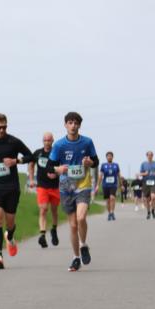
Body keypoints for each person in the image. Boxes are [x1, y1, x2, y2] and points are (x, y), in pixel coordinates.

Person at [45, 112, 99, 272]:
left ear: (79, 125)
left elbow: (96, 161)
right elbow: (49, 166)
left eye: (76, 123)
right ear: (65, 125)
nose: (73, 126)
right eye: (70, 122)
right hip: (66, 187)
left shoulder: (87, 142)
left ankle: (83, 245)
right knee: (73, 225)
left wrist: (90, 162)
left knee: (81, 217)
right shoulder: (59, 145)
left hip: (83, 184)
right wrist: (58, 168)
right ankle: (76, 258)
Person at [0, 114, 34, 269]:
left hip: (11, 188)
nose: (2, 130)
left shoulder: (14, 142)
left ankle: (9, 236)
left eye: (4, 127)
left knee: (10, 223)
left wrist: (16, 161)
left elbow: (31, 156)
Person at [27, 132, 60, 248]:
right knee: (43, 209)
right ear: (43, 141)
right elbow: (30, 164)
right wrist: (31, 179)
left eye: (49, 140)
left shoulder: (56, 153)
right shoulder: (38, 153)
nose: (47, 142)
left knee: (54, 210)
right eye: (45, 140)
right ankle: (42, 235)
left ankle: (54, 230)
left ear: (52, 141)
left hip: (54, 187)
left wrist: (56, 174)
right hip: (42, 186)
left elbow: (62, 167)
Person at [97, 151, 121, 221]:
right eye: (108, 156)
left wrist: (121, 184)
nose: (109, 157)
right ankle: (109, 213)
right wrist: (98, 185)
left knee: (112, 198)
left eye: (110, 156)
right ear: (106, 157)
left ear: (112, 157)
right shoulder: (103, 165)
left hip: (114, 184)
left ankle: (112, 212)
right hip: (105, 185)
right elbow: (100, 176)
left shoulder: (116, 165)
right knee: (107, 200)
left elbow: (119, 175)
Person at [140, 151, 155, 219]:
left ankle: (153, 209)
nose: (150, 156)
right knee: (147, 199)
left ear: (152, 156)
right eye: (148, 155)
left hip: (153, 183)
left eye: (151, 155)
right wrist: (145, 174)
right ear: (147, 156)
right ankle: (149, 212)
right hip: (146, 183)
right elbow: (140, 173)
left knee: (153, 197)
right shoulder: (143, 164)